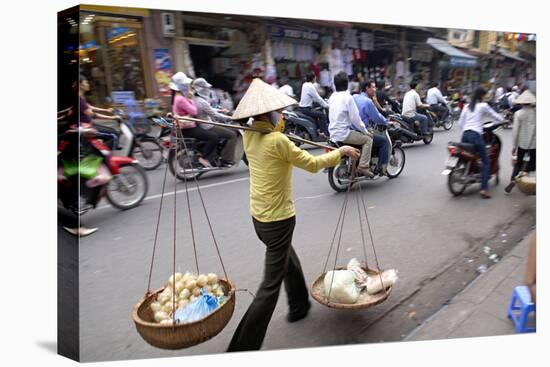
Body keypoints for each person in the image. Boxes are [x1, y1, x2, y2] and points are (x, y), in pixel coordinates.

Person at [226, 78, 360, 352]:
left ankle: (299, 305)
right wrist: (341, 152)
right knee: (269, 286)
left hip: (259, 220)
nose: (283, 115)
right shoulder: (278, 142)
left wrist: (278, 127)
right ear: (267, 114)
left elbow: (241, 125)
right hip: (278, 219)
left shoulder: (249, 135)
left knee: (287, 257)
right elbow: (313, 164)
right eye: (279, 112)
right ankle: (241, 348)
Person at [457, 87, 503, 199]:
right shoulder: (483, 106)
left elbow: (460, 123)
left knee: (472, 155)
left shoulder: (467, 106)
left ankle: (470, 172)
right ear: (481, 96)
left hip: (465, 135)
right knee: (485, 160)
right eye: (485, 95)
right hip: (475, 136)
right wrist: (503, 120)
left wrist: (467, 130)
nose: (486, 97)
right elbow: (494, 116)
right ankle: (484, 189)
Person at [328, 71, 375, 178]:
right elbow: (356, 119)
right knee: (368, 140)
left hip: (332, 133)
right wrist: (366, 132)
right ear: (347, 84)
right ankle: (363, 166)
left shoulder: (332, 97)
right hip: (343, 134)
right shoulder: (348, 97)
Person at [169, 72, 216, 168]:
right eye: (187, 85)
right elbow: (194, 111)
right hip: (189, 128)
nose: (188, 87)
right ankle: (203, 157)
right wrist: (190, 100)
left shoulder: (176, 98)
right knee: (213, 137)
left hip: (184, 127)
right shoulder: (181, 99)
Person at [192, 77, 239, 167]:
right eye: (205, 88)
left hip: (202, 124)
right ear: (201, 89)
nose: (207, 90)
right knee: (232, 135)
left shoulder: (194, 99)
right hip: (207, 126)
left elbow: (209, 110)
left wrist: (220, 111)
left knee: (227, 130)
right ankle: (227, 159)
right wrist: (231, 118)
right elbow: (215, 115)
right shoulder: (202, 102)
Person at [353, 80, 392, 175]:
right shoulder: (367, 102)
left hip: (351, 130)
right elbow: (377, 117)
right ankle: (381, 168)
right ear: (367, 88)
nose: (375, 90)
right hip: (360, 131)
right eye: (373, 87)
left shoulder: (354, 97)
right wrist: (387, 122)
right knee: (383, 141)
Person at [505, 90, 536, 193]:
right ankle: (528, 183)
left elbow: (515, 132)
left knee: (518, 164)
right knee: (532, 165)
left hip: (522, 144)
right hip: (534, 145)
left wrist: (514, 146)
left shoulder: (518, 114)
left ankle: (514, 179)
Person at [79, 74, 120, 150]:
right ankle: (102, 158)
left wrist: (105, 110)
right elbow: (92, 114)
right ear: (80, 85)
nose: (88, 85)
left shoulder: (81, 97)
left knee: (112, 131)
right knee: (113, 135)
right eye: (86, 83)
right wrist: (112, 117)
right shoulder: (78, 99)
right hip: (86, 127)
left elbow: (89, 107)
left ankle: (100, 152)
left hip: (88, 124)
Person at [298, 71, 330, 137]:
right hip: (306, 109)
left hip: (301, 108)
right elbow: (318, 98)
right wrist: (327, 106)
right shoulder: (310, 86)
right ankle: (324, 133)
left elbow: (313, 98)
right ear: (313, 78)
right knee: (322, 115)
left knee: (316, 112)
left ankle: (318, 130)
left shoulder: (305, 84)